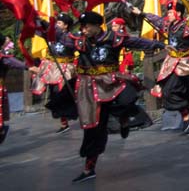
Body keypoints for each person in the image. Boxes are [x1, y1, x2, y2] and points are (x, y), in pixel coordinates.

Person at [65, 11, 164, 183]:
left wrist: (158, 44)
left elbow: (136, 41)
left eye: (86, 27)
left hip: (111, 83)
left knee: (127, 97)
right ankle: (89, 168)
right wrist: (42, 28)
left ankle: (124, 119)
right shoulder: (80, 40)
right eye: (82, 27)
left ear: (97, 26)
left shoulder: (114, 38)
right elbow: (61, 38)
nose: (84, 30)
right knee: (93, 128)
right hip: (90, 89)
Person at [134, 0, 189, 136]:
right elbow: (156, 20)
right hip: (171, 62)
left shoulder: (187, 26)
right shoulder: (168, 25)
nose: (168, 15)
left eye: (171, 12)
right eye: (168, 12)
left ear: (178, 13)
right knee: (175, 91)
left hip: (183, 64)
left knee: (173, 90)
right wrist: (141, 13)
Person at [30, 14, 79, 133]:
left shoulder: (71, 37)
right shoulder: (51, 35)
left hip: (65, 69)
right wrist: (36, 20)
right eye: (56, 23)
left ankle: (75, 113)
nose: (56, 25)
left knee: (64, 93)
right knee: (54, 94)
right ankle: (64, 122)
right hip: (52, 68)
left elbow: (70, 43)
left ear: (66, 26)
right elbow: (40, 31)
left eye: (59, 23)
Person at [0, 36, 27, 145]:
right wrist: (29, 66)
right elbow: (18, 64)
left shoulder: (3, 57)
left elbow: (16, 63)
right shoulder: (3, 57)